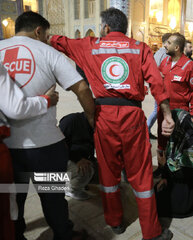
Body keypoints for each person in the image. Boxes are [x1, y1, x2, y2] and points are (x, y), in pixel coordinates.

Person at [49, 8, 175, 240]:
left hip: (103, 116)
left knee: (108, 173)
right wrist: (166, 114)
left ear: (106, 27)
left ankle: (115, 221)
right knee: (141, 176)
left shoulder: (90, 45)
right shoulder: (140, 48)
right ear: (124, 28)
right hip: (133, 117)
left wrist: (46, 37)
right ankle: (152, 232)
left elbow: (60, 42)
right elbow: (157, 83)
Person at [0, 11, 95, 240]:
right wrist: (91, 117)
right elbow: (81, 88)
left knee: (14, 199)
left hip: (6, 148)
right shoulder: (49, 53)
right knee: (52, 197)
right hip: (45, 148)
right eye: (46, 35)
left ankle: (16, 235)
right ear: (38, 31)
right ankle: (63, 234)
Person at [0, 63, 58, 240]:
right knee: (54, 193)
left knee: (18, 196)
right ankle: (63, 230)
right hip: (46, 144)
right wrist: (46, 100)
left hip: (13, 146)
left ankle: (19, 233)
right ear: (38, 32)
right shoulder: (50, 55)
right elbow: (16, 108)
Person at [157, 33, 193, 165]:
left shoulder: (189, 66)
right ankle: (162, 169)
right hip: (163, 109)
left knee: (177, 144)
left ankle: (175, 174)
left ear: (176, 47)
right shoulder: (164, 62)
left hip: (180, 111)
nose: (165, 45)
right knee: (162, 141)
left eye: (169, 43)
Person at [59, 112, 95, 201]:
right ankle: (70, 189)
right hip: (63, 159)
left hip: (81, 157)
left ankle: (76, 180)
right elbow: (58, 147)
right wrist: (77, 159)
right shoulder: (71, 121)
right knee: (86, 171)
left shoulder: (96, 125)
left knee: (100, 173)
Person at [148, 33, 172, 140]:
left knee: (157, 109)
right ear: (166, 42)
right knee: (157, 110)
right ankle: (146, 129)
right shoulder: (165, 54)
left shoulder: (158, 53)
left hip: (155, 84)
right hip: (160, 85)